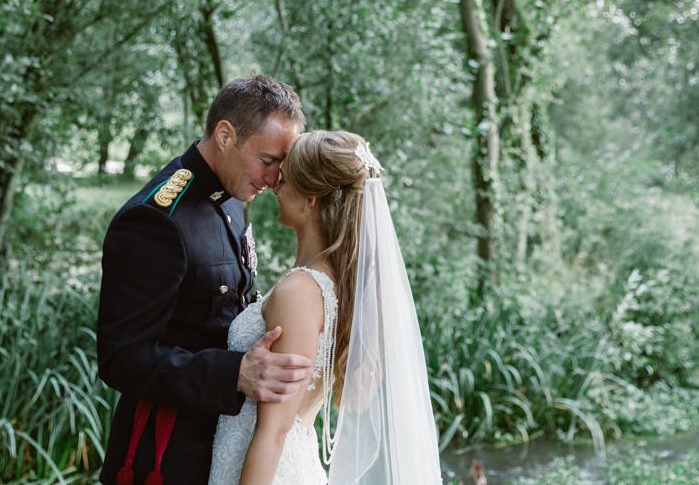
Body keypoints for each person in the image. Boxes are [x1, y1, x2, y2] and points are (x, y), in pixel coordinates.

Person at [97, 76, 312, 485]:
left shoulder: (232, 193)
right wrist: (232, 375)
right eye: (268, 161)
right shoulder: (156, 219)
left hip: (224, 441)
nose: (274, 179)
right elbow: (120, 356)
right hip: (164, 453)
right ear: (226, 135)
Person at [208, 131, 442, 484]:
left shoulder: (300, 291)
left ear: (311, 200)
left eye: (284, 179)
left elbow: (273, 431)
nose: (274, 185)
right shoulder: (339, 285)